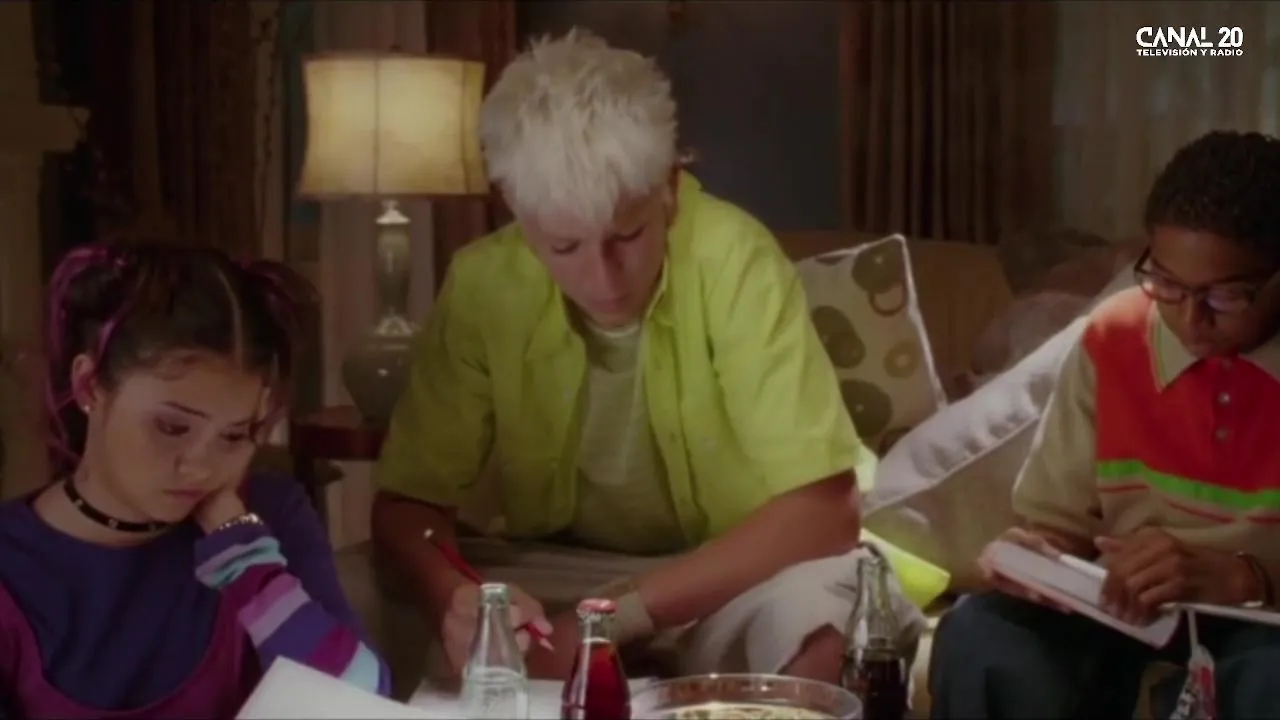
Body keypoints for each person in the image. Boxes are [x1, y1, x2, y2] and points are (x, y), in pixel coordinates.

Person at [371, 29, 930, 686]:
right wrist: (455, 601)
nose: (603, 279)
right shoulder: (481, 283)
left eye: (628, 235)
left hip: (741, 569)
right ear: (516, 211)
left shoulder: (736, 258)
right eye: (564, 247)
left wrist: (613, 620)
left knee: (826, 627)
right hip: (552, 571)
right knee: (344, 590)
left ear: (669, 185)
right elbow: (406, 509)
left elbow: (826, 516)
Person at [928, 130, 1280, 718]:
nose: (1190, 320)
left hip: (1264, 620)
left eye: (1225, 296)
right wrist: (1037, 556)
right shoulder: (1116, 336)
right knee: (982, 635)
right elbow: (1060, 521)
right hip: (1125, 607)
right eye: (1167, 283)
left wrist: (1246, 581)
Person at [0, 240, 390, 719]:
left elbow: (362, 702)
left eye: (235, 435)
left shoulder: (266, 516)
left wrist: (245, 560)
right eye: (172, 427)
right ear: (89, 386)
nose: (201, 467)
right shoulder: (12, 563)